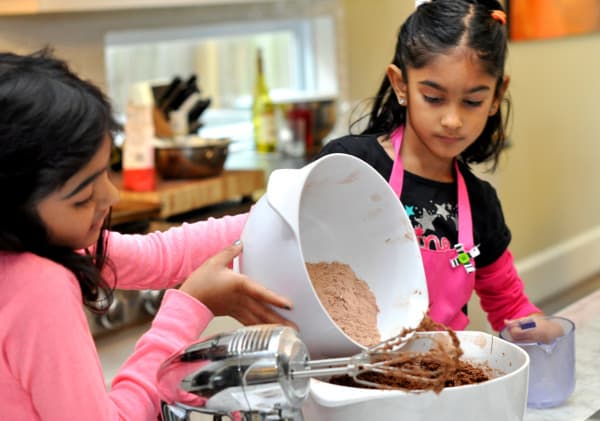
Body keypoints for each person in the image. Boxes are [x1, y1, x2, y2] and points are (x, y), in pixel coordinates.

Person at [0, 49, 294, 420]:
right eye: (83, 196)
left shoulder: (32, 242)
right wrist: (190, 307)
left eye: (106, 171)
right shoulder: (39, 288)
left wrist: (278, 217)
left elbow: (157, 256)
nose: (111, 196)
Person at [316, 0, 560, 343]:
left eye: (472, 101)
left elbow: (511, 306)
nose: (452, 120)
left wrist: (537, 326)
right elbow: (299, 263)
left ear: (496, 96)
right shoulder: (349, 167)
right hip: (346, 368)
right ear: (401, 84)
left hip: (438, 377)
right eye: (433, 97)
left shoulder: (479, 204)